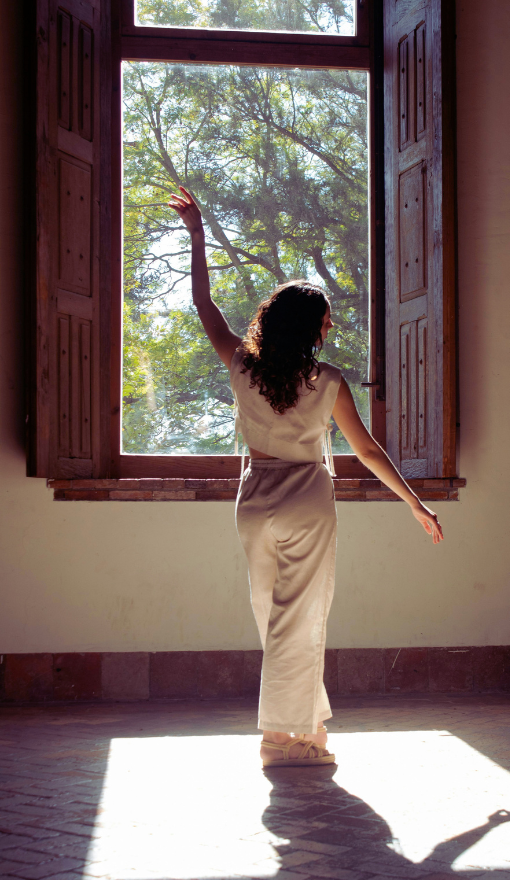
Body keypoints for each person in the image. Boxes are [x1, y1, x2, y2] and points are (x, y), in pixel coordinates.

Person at [169, 186, 444, 768]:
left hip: (254, 500)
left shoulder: (241, 366)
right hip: (307, 499)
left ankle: (308, 729)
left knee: (273, 617)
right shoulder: (330, 380)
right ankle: (280, 739)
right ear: (310, 329)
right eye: (325, 321)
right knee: (300, 617)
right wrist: (414, 502)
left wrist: (197, 235)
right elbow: (367, 451)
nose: (329, 327)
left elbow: (204, 305)